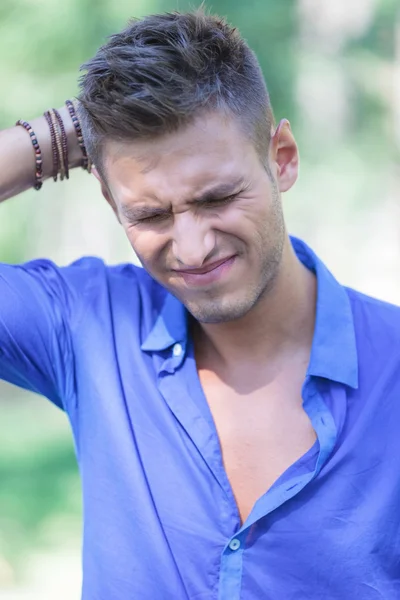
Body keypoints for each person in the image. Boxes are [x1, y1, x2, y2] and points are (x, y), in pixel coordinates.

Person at [1, 9, 400, 600]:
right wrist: (62, 136)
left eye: (218, 198)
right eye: (150, 215)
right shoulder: (83, 324)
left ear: (282, 157)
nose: (192, 248)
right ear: (111, 201)